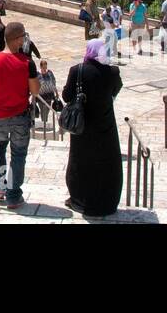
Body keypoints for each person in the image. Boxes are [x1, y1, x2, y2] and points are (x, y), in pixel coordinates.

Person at [0, 21, 40, 209]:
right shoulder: (27, 63)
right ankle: (12, 194)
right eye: (22, 37)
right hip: (20, 116)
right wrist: (32, 72)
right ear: (16, 39)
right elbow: (35, 91)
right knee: (18, 154)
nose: (24, 40)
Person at [63, 38, 123, 217]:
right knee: (106, 164)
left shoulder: (77, 70)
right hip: (105, 127)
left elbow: (67, 96)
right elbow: (116, 88)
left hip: (82, 128)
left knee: (80, 163)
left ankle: (80, 200)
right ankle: (105, 201)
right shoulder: (112, 71)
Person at [35, 58, 59, 128]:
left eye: (46, 66)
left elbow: (53, 83)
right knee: (42, 111)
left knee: (46, 111)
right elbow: (35, 84)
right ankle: (44, 124)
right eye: (43, 66)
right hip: (40, 96)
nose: (45, 68)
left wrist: (56, 92)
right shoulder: (38, 74)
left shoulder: (50, 73)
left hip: (49, 96)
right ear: (40, 66)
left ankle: (44, 123)